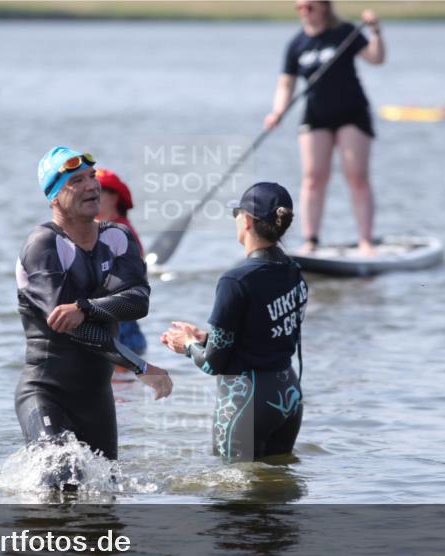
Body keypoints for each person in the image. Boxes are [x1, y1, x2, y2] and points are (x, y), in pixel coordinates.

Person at [15, 146, 172, 464]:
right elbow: (72, 328)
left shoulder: (117, 237)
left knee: (105, 496)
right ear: (55, 197)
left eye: (92, 176)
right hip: (46, 393)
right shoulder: (43, 245)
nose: (91, 185)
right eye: (77, 181)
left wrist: (85, 307)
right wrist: (139, 366)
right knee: (60, 475)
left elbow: (137, 303)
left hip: (97, 397)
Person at [161, 183, 307, 462]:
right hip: (288, 393)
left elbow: (212, 364)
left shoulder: (235, 280)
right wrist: (207, 336)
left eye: (236, 214)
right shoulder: (294, 271)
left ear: (248, 221)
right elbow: (266, 334)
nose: (236, 220)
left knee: (233, 497)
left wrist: (188, 345)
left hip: (246, 402)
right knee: (278, 496)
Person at [264, 1, 385, 257]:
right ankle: (311, 240)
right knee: (313, 178)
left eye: (310, 7)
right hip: (316, 115)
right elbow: (286, 84)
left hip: (352, 113)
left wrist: (375, 31)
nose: (304, 12)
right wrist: (277, 112)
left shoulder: (345, 32)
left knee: (356, 176)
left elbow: (376, 58)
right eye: (299, 7)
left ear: (324, 7)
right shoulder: (296, 44)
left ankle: (365, 241)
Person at [94, 168, 148, 359]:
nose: (92, 195)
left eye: (98, 192)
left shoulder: (122, 233)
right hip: (118, 328)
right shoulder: (102, 230)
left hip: (121, 332)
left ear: (114, 197)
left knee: (117, 387)